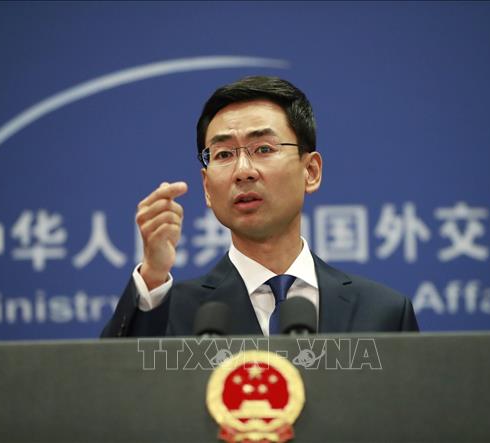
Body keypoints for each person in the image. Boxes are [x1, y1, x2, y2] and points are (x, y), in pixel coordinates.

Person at [101, 76, 418, 337]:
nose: (243, 171)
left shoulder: (383, 312)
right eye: (224, 154)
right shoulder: (169, 313)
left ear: (310, 171)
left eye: (263, 149)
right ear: (207, 187)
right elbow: (116, 383)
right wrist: (153, 275)